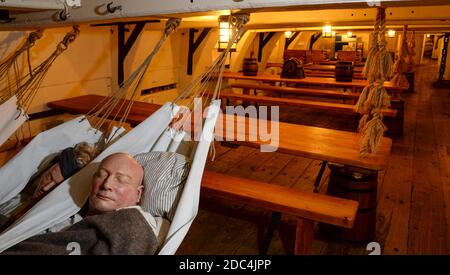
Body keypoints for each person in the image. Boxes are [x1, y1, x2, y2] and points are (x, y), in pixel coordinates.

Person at [2, 152, 162, 255]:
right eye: (101, 175)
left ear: (138, 194)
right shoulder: (64, 217)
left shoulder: (135, 225)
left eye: (121, 180)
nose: (107, 185)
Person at [0, 142, 96, 226]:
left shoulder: (63, 227)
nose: (45, 188)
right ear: (46, 170)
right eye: (49, 177)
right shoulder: (15, 198)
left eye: (56, 187)